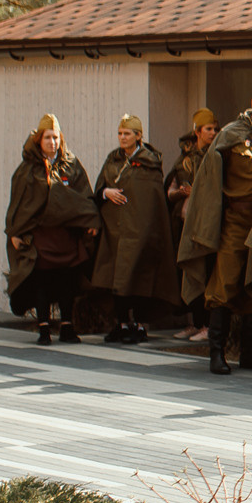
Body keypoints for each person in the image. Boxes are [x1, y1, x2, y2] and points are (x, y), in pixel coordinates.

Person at [178, 82, 252, 375]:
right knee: (223, 285)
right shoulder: (231, 134)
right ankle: (216, 353)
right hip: (235, 222)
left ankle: (250, 353)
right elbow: (209, 178)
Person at [4, 114, 99, 344]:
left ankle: (67, 326)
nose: (52, 142)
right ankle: (44, 328)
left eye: (55, 137)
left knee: (67, 280)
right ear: (39, 139)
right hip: (40, 236)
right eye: (47, 137)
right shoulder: (27, 169)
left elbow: (84, 195)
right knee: (41, 280)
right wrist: (15, 232)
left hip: (66, 235)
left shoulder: (71, 164)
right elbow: (18, 203)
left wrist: (90, 221)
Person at [91, 114, 180, 344]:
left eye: (127, 134)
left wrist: (148, 230)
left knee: (139, 277)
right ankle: (121, 324)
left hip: (141, 231)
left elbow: (152, 200)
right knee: (116, 278)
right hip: (115, 231)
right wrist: (105, 193)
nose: (122, 138)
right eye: (120, 134)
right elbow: (100, 186)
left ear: (138, 136)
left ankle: (139, 325)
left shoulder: (149, 163)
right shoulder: (113, 159)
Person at [166, 109, 218, 339]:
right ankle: (195, 322)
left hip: (205, 222)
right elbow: (171, 187)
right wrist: (180, 192)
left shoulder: (216, 154)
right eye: (209, 129)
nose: (213, 133)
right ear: (197, 131)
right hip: (184, 220)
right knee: (187, 271)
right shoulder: (186, 157)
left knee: (205, 271)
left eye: (215, 129)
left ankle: (207, 325)